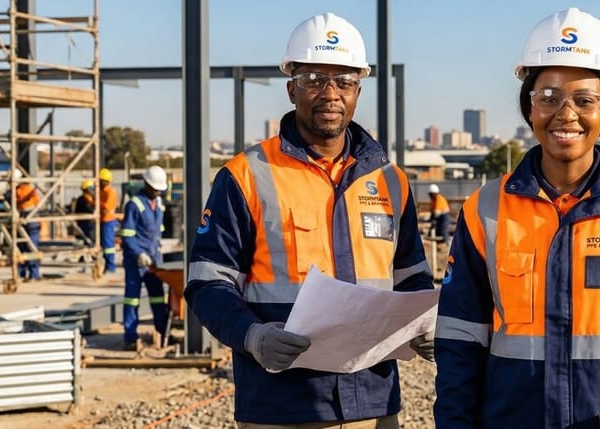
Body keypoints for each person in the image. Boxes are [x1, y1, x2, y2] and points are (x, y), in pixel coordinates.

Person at [434, 8, 600, 428]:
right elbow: (459, 341)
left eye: (584, 100)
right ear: (529, 107)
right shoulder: (484, 209)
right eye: (548, 97)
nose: (566, 114)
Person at [185, 12, 434, 428]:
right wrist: (253, 336)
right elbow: (207, 283)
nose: (330, 93)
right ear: (291, 88)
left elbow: (411, 278)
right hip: (280, 403)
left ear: (358, 90)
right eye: (315, 79)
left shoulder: (390, 181)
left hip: (372, 404)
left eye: (345, 81)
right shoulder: (247, 176)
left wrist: (424, 325)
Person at [120, 165, 170, 351]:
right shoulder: (135, 205)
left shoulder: (159, 206)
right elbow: (127, 235)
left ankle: (161, 332)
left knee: (158, 298)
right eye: (155, 188)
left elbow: (157, 233)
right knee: (132, 299)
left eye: (159, 189)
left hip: (153, 261)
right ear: (147, 184)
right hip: (136, 261)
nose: (157, 192)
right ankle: (130, 337)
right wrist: (138, 253)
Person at [9, 169, 41, 281]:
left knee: (30, 248)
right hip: (24, 218)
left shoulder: (23, 189)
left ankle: (32, 273)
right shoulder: (24, 188)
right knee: (23, 248)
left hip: (30, 219)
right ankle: (25, 273)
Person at [98, 168, 120, 274]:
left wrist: (97, 203)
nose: (98, 182)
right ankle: (107, 265)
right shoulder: (101, 191)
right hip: (102, 221)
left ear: (106, 181)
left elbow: (106, 209)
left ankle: (111, 266)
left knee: (108, 245)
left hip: (108, 221)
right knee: (104, 245)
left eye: (100, 180)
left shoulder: (111, 192)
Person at [72, 180, 97, 245]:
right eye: (92, 188)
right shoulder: (83, 200)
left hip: (87, 225)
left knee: (87, 243)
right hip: (86, 226)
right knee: (88, 243)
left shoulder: (87, 199)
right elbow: (91, 210)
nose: (93, 191)